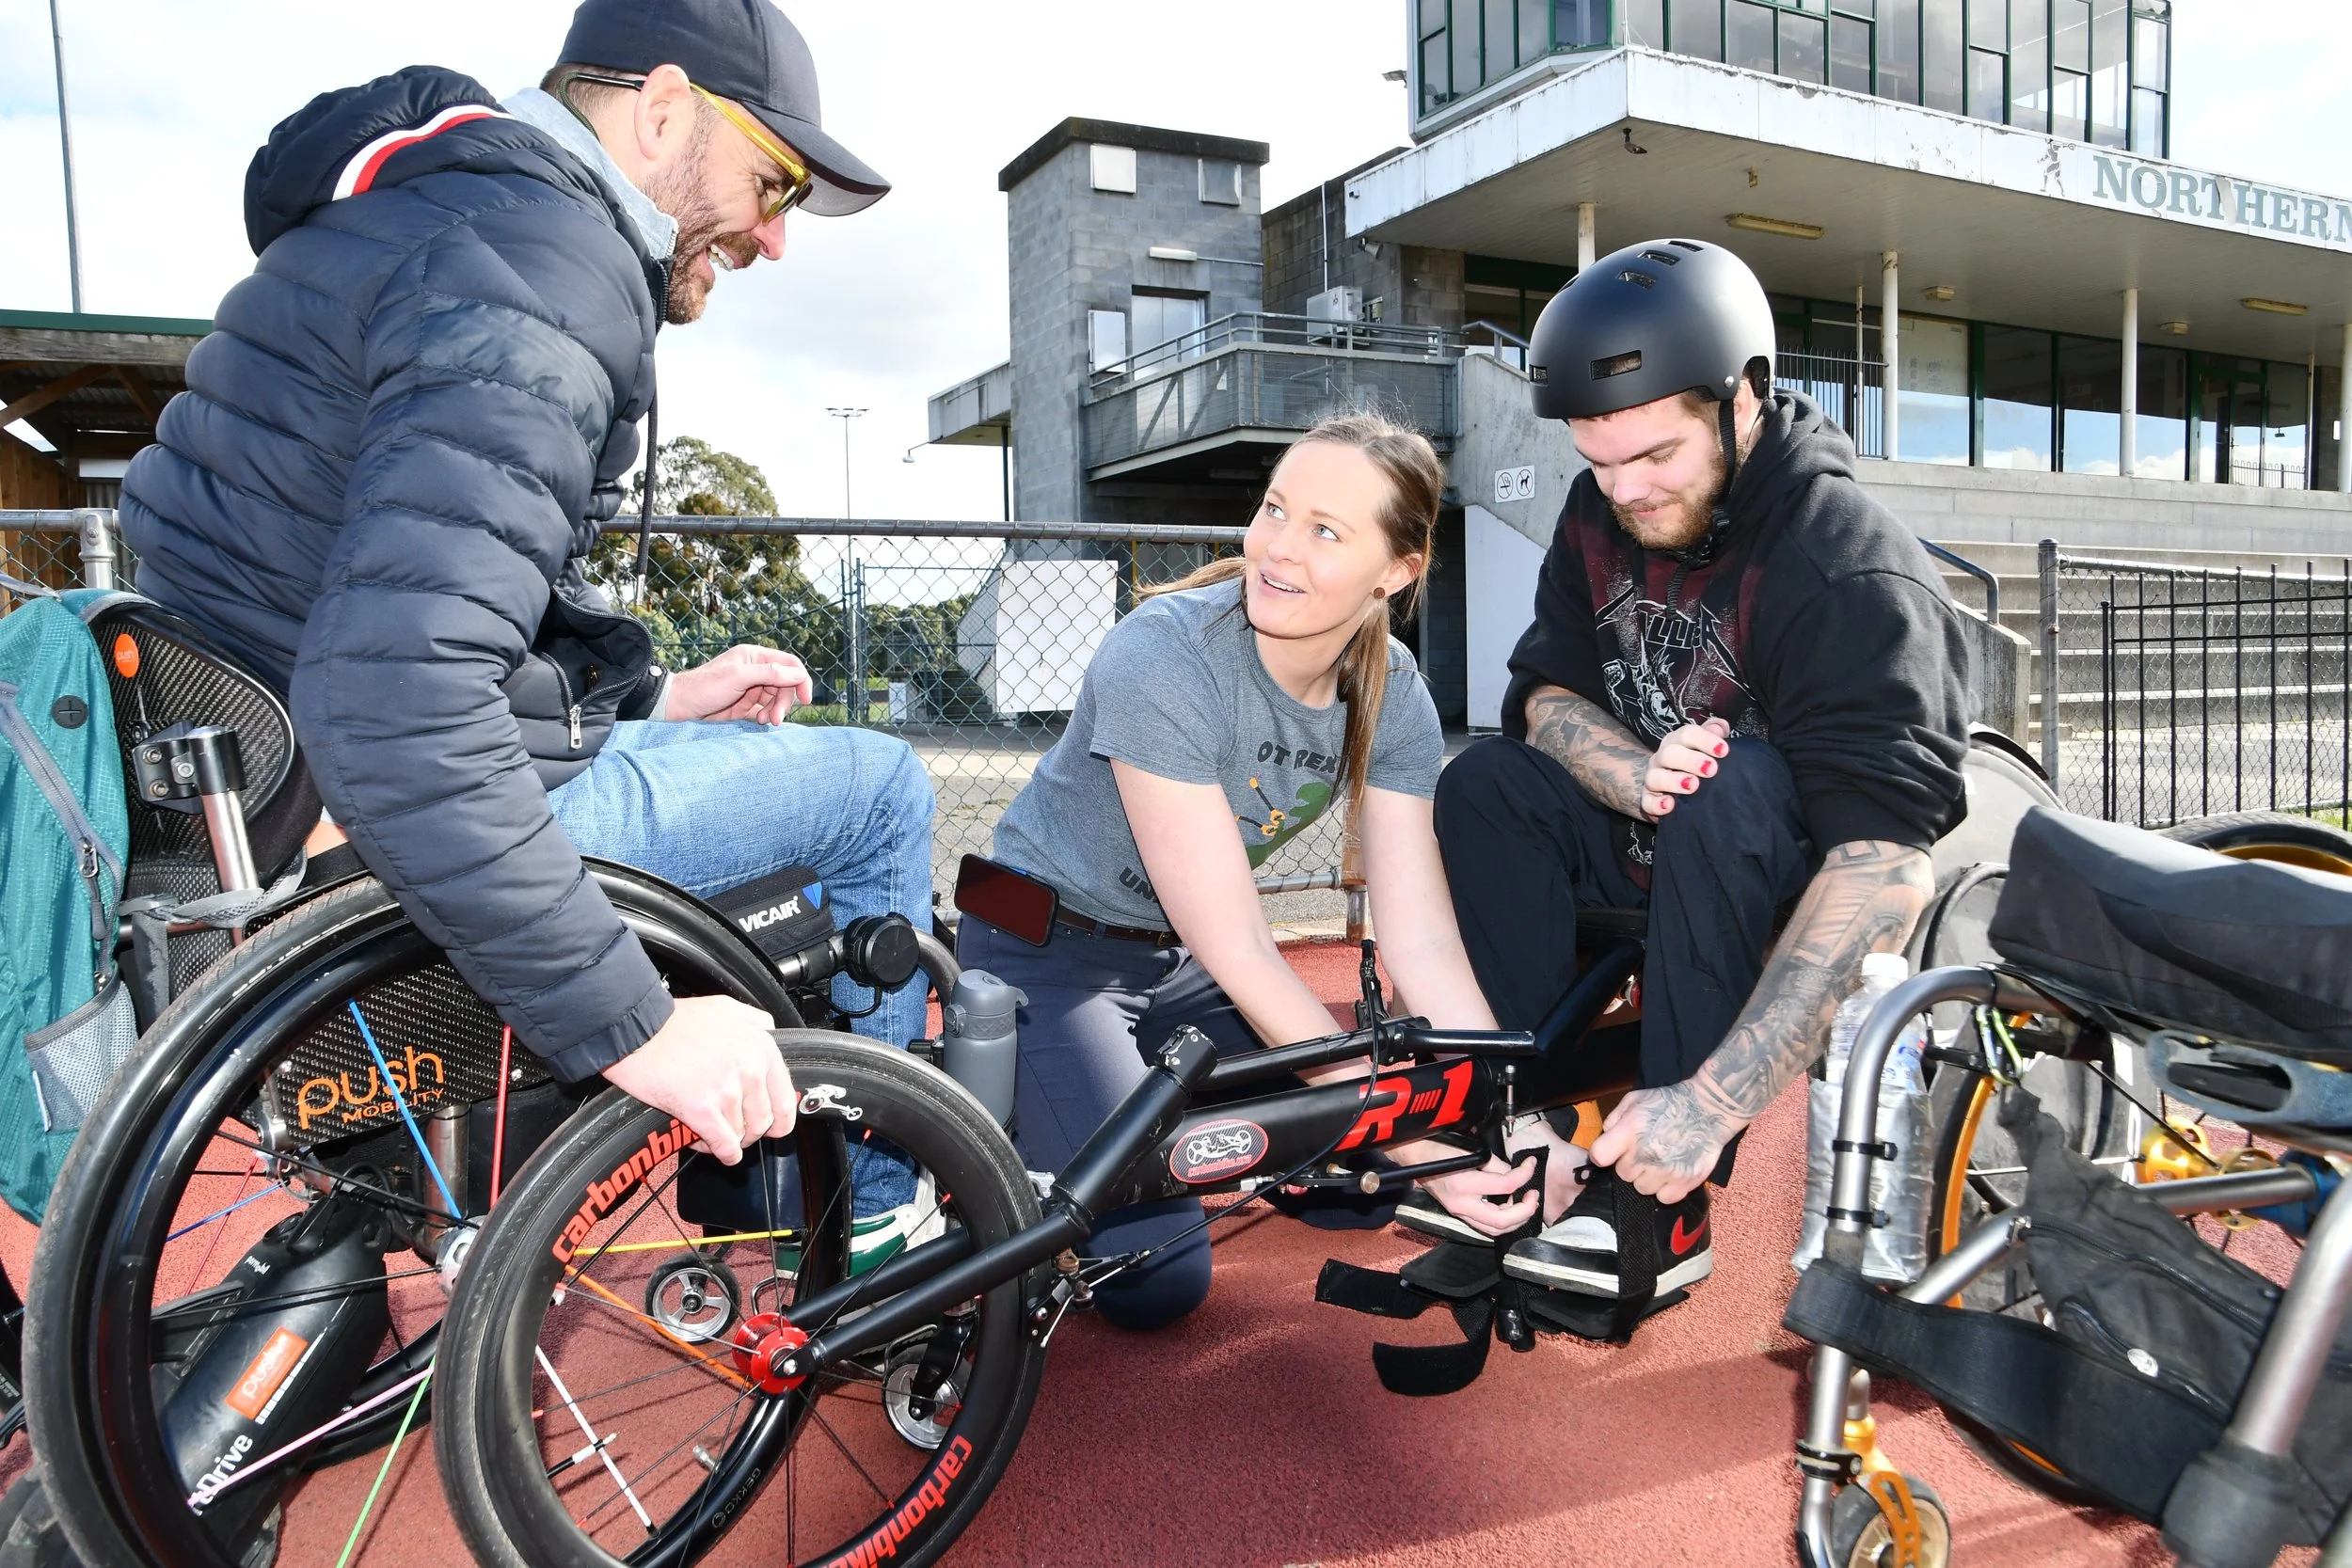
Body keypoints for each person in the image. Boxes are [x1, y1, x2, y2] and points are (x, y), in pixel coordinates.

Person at [116, 0, 932, 1174]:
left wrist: (652, 702)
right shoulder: (547, 266)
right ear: (662, 110)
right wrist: (638, 1026)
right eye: (776, 183)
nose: (777, 237)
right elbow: (398, 708)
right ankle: (884, 1224)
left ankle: (766, 1183)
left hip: (248, 783)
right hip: (346, 820)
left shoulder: (424, 212)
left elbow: (384, 594)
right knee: (878, 788)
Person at [1422, 238, 1972, 1307]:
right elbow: (1545, 697)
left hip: (1778, 883)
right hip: (1651, 851)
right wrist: (1630, 774)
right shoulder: (1601, 511)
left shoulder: (1842, 565)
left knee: (1733, 784)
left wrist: (1709, 1101)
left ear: (1744, 398)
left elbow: (1886, 867)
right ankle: (1532, 1131)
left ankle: (1660, 1202)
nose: (1624, 489)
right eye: (1599, 460)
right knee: (1484, 782)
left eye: (1656, 456)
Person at [956, 412, 1585, 1331]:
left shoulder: (1391, 688)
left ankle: (1159, 1128)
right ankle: (1011, 1119)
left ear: (1396, 569)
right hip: (1048, 951)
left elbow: (1420, 938)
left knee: (1364, 1187)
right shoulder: (1165, 653)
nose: (1277, 548)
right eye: (1275, 509)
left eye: (1325, 530)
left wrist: (1511, 1120)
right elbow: (1247, 948)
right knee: (1153, 1282)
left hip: (1178, 966)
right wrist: (1415, 1139)